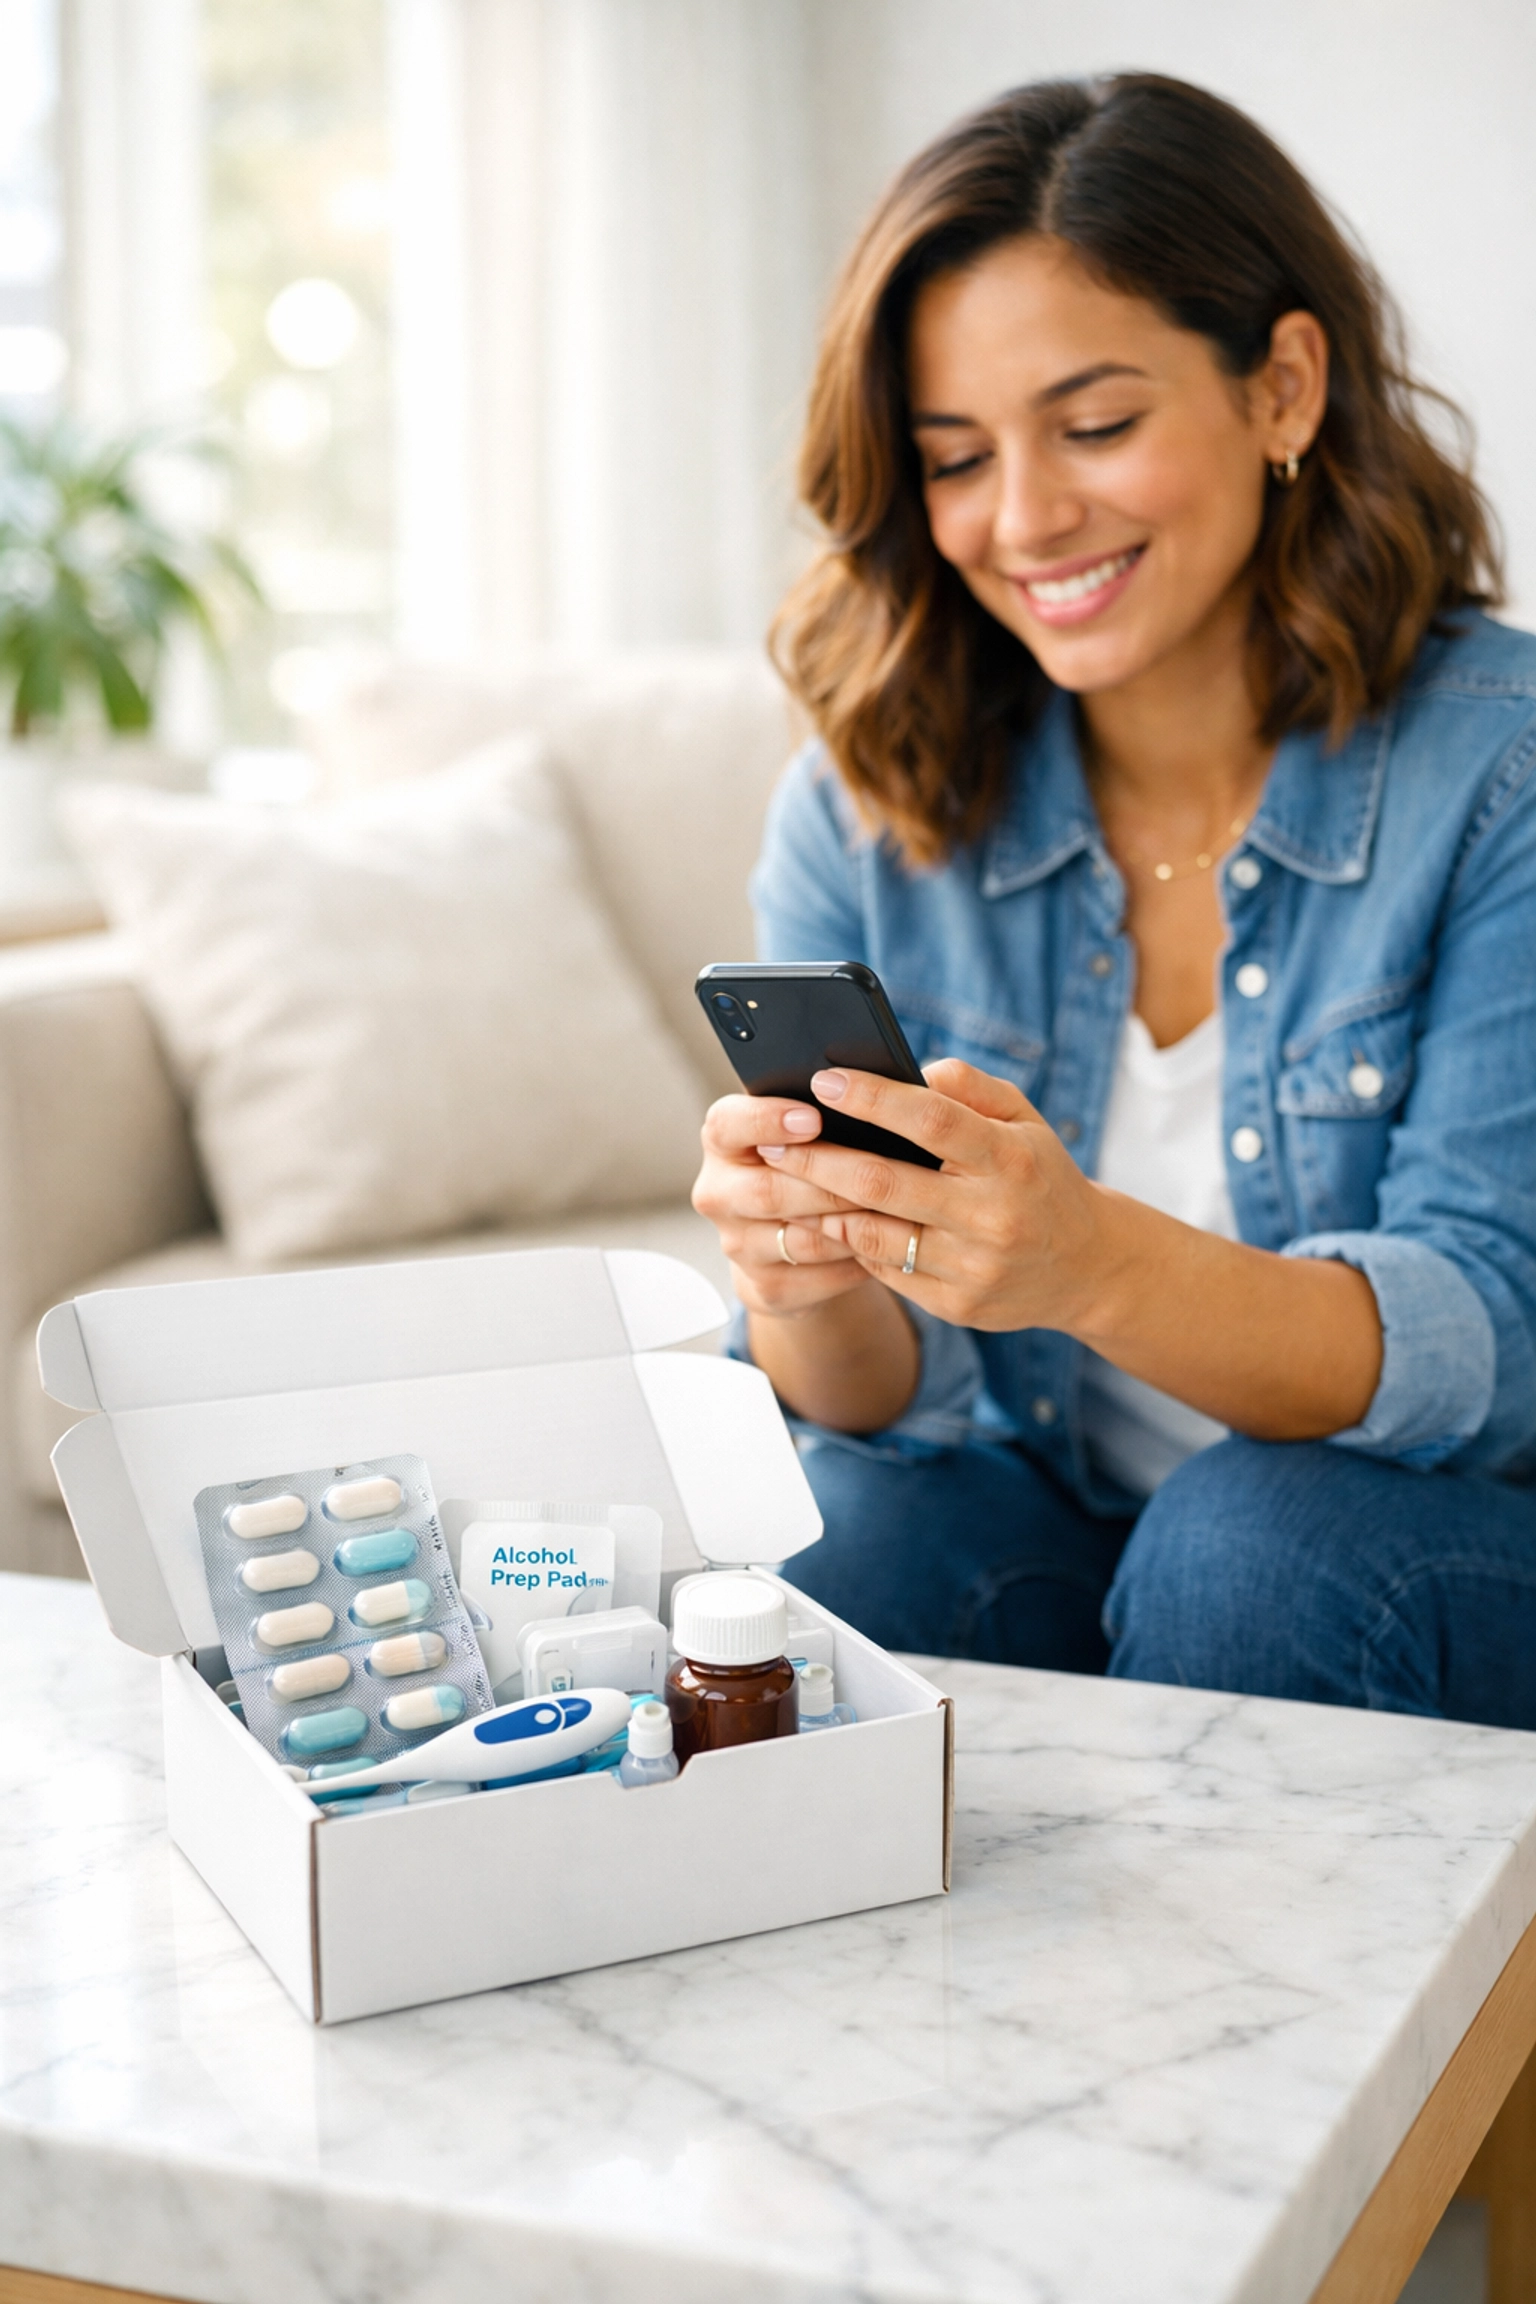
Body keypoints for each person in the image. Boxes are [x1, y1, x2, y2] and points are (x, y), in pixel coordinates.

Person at [690, 73, 1536, 1729]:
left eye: (1094, 427)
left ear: (1283, 386)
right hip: (1065, 1536)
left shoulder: (1497, 777)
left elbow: (1492, 1346)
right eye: (954, 458)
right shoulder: (869, 807)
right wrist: (806, 1288)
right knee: (832, 1541)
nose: (1022, 520)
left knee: (1250, 1548)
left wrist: (1087, 1263)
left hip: (1430, 1549)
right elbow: (881, 1421)